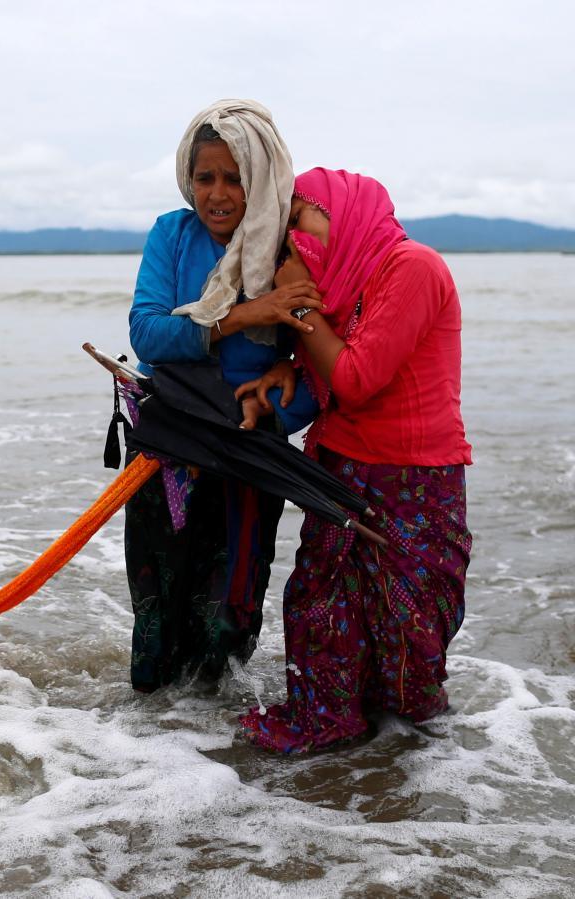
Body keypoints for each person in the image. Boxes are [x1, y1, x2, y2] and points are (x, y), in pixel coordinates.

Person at [236, 168, 473, 753]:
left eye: (300, 218)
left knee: (409, 626)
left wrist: (299, 311)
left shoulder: (412, 267)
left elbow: (359, 376)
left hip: (415, 476)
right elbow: (326, 362)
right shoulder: (339, 288)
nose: (293, 240)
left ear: (342, 212)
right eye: (286, 230)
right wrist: (289, 363)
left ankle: (410, 733)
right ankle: (329, 720)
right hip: (341, 467)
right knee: (322, 602)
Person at [123, 100, 321, 692]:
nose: (218, 193)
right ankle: (137, 752)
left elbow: (315, 369)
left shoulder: (288, 254)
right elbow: (146, 331)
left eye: (235, 177)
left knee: (228, 611)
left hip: (247, 454)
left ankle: (214, 757)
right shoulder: (172, 234)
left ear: (260, 179)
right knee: (158, 600)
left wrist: (275, 404)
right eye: (205, 177)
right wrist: (239, 317)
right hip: (169, 447)